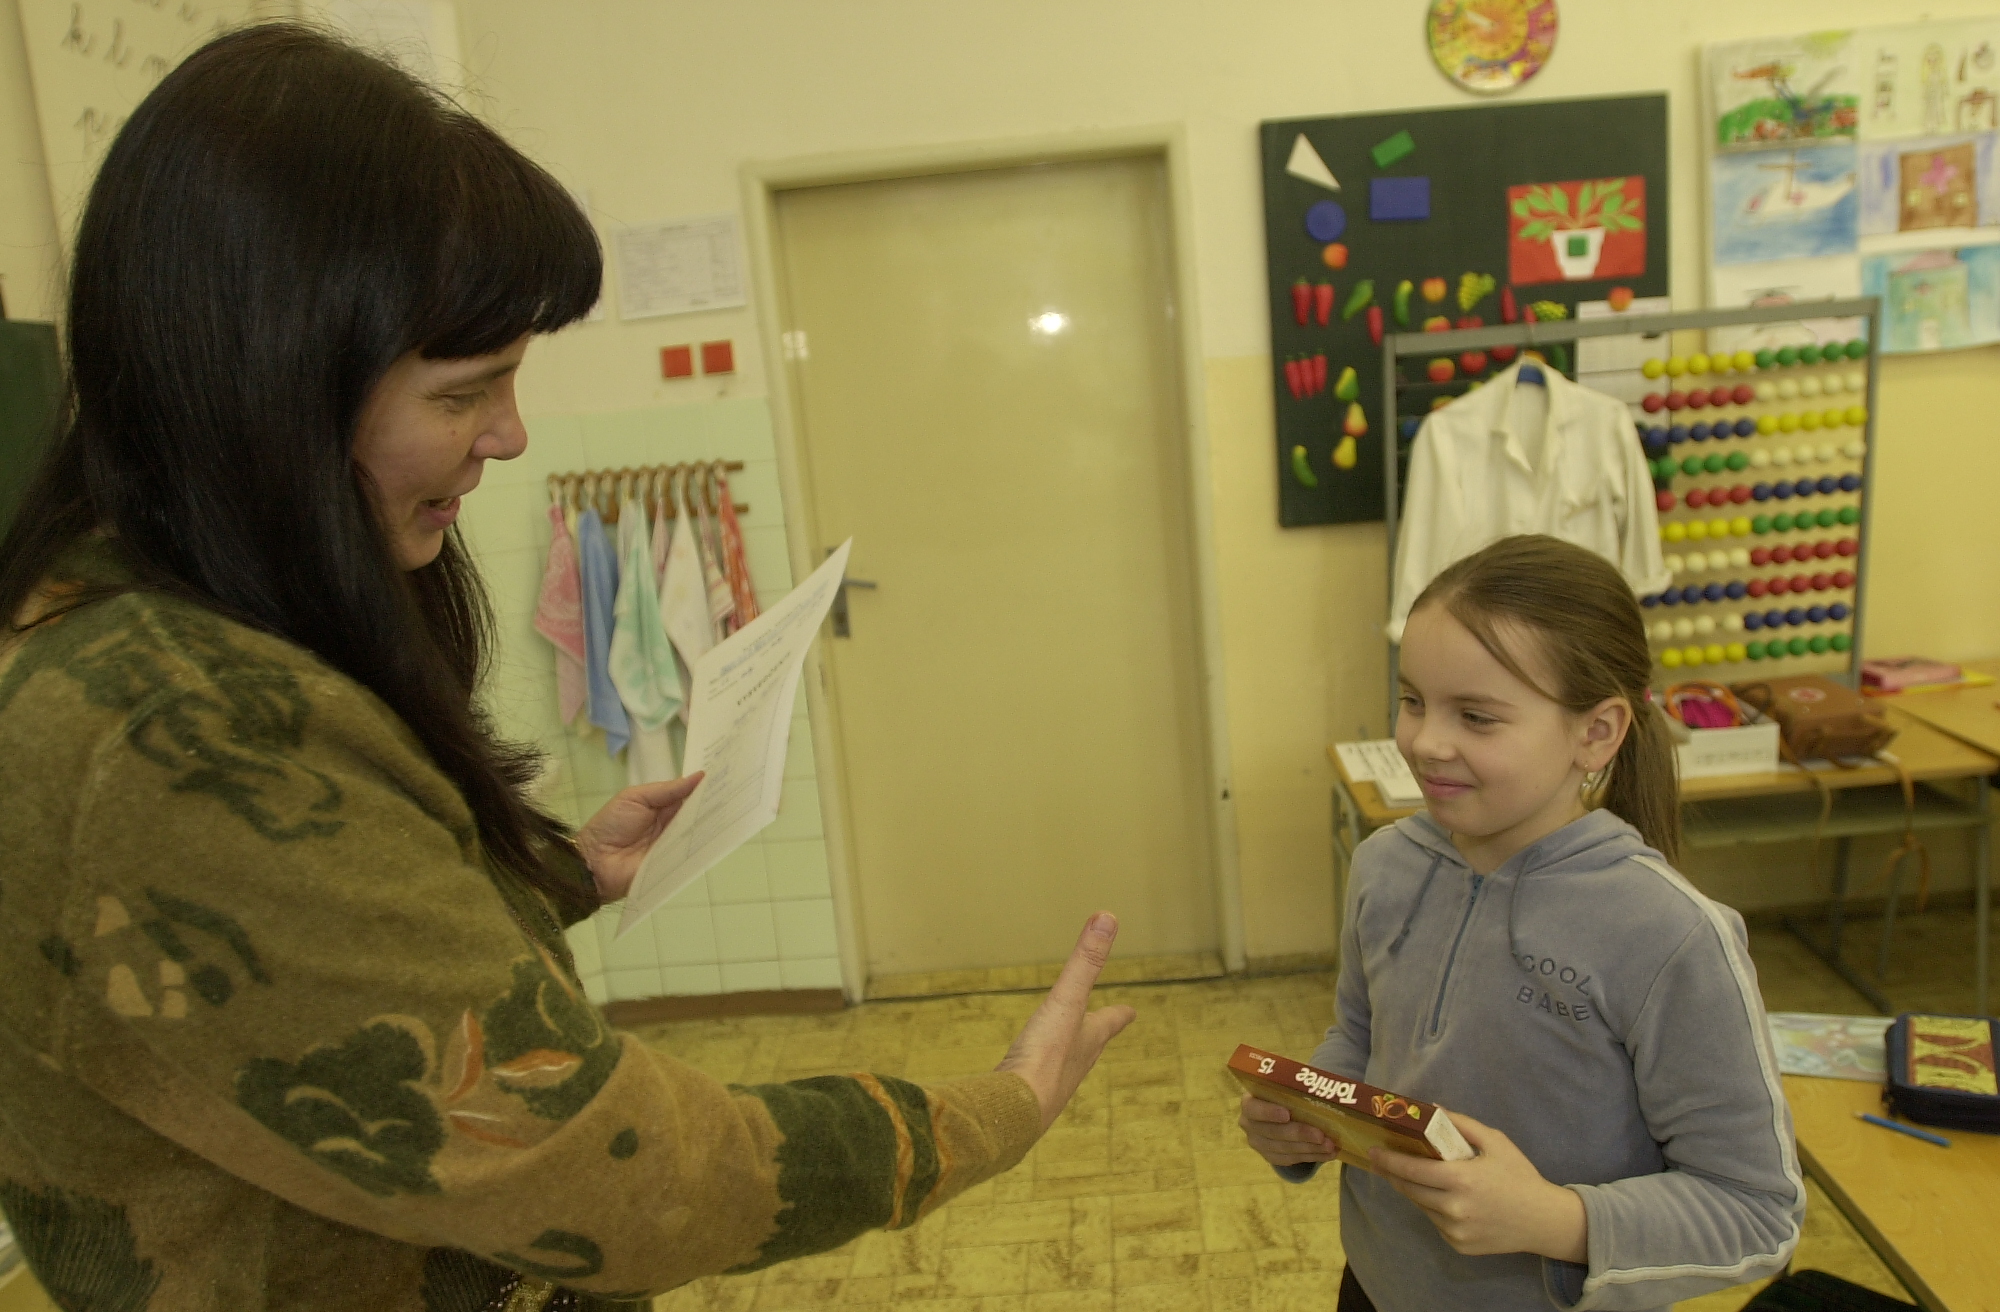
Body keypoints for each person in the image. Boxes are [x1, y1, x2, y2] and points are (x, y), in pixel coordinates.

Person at [0, 24, 1133, 1310]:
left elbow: (305, 985)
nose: (510, 435)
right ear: (270, 386)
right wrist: (989, 1111)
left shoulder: (200, 636)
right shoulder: (171, 727)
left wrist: (552, 876)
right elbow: (609, 1171)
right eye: (461, 393)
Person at [1239, 535, 1802, 1312]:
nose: (1425, 742)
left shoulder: (1671, 936)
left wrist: (1555, 1220)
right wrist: (1310, 1115)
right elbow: (1362, 1037)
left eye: (1476, 716)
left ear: (1596, 733)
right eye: (1413, 700)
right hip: (1374, 1285)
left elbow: (1758, 1216)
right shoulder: (1384, 865)